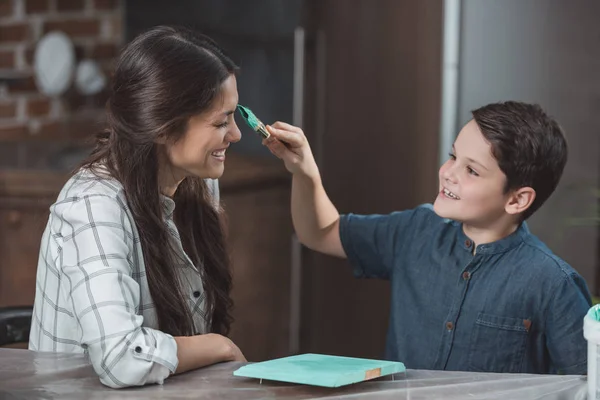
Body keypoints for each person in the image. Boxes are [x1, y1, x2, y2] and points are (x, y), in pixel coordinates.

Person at [264, 101, 591, 374]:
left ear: (517, 199)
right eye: (453, 156)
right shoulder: (416, 230)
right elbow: (320, 232)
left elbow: (588, 385)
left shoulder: (553, 283)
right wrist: (304, 172)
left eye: (472, 170)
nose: (448, 172)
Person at [29, 25, 247, 388]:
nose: (236, 134)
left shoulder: (197, 182)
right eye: (221, 121)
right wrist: (219, 346)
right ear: (161, 128)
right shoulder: (94, 206)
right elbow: (121, 357)